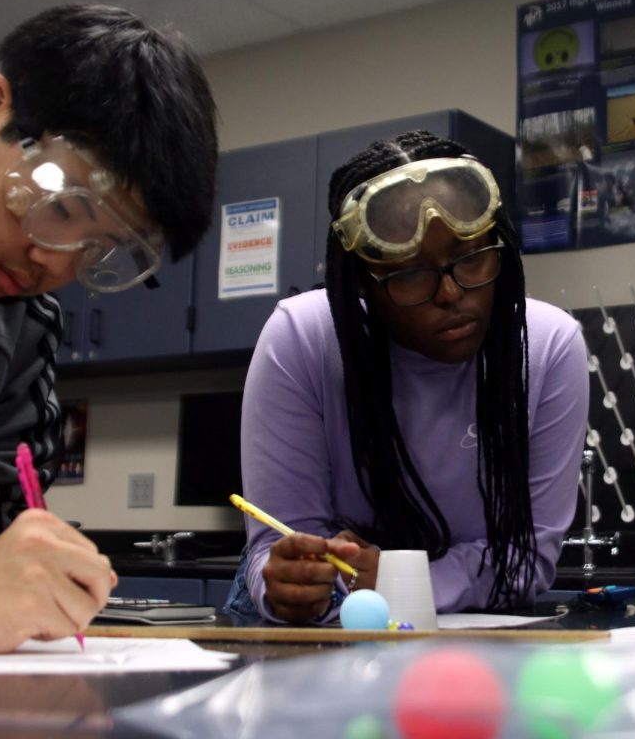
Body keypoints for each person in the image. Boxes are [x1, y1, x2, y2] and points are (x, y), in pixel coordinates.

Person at [0, 3, 219, 652]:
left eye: (98, 251)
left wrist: (4, 568)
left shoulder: (17, 328)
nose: (54, 262)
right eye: (59, 206)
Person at [227, 130, 589, 624]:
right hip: (328, 625)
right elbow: (278, 546)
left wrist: (398, 579)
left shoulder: (548, 348)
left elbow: (527, 556)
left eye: (471, 257)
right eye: (411, 274)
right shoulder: (303, 338)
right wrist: (291, 580)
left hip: (468, 635)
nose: (451, 292)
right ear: (363, 285)